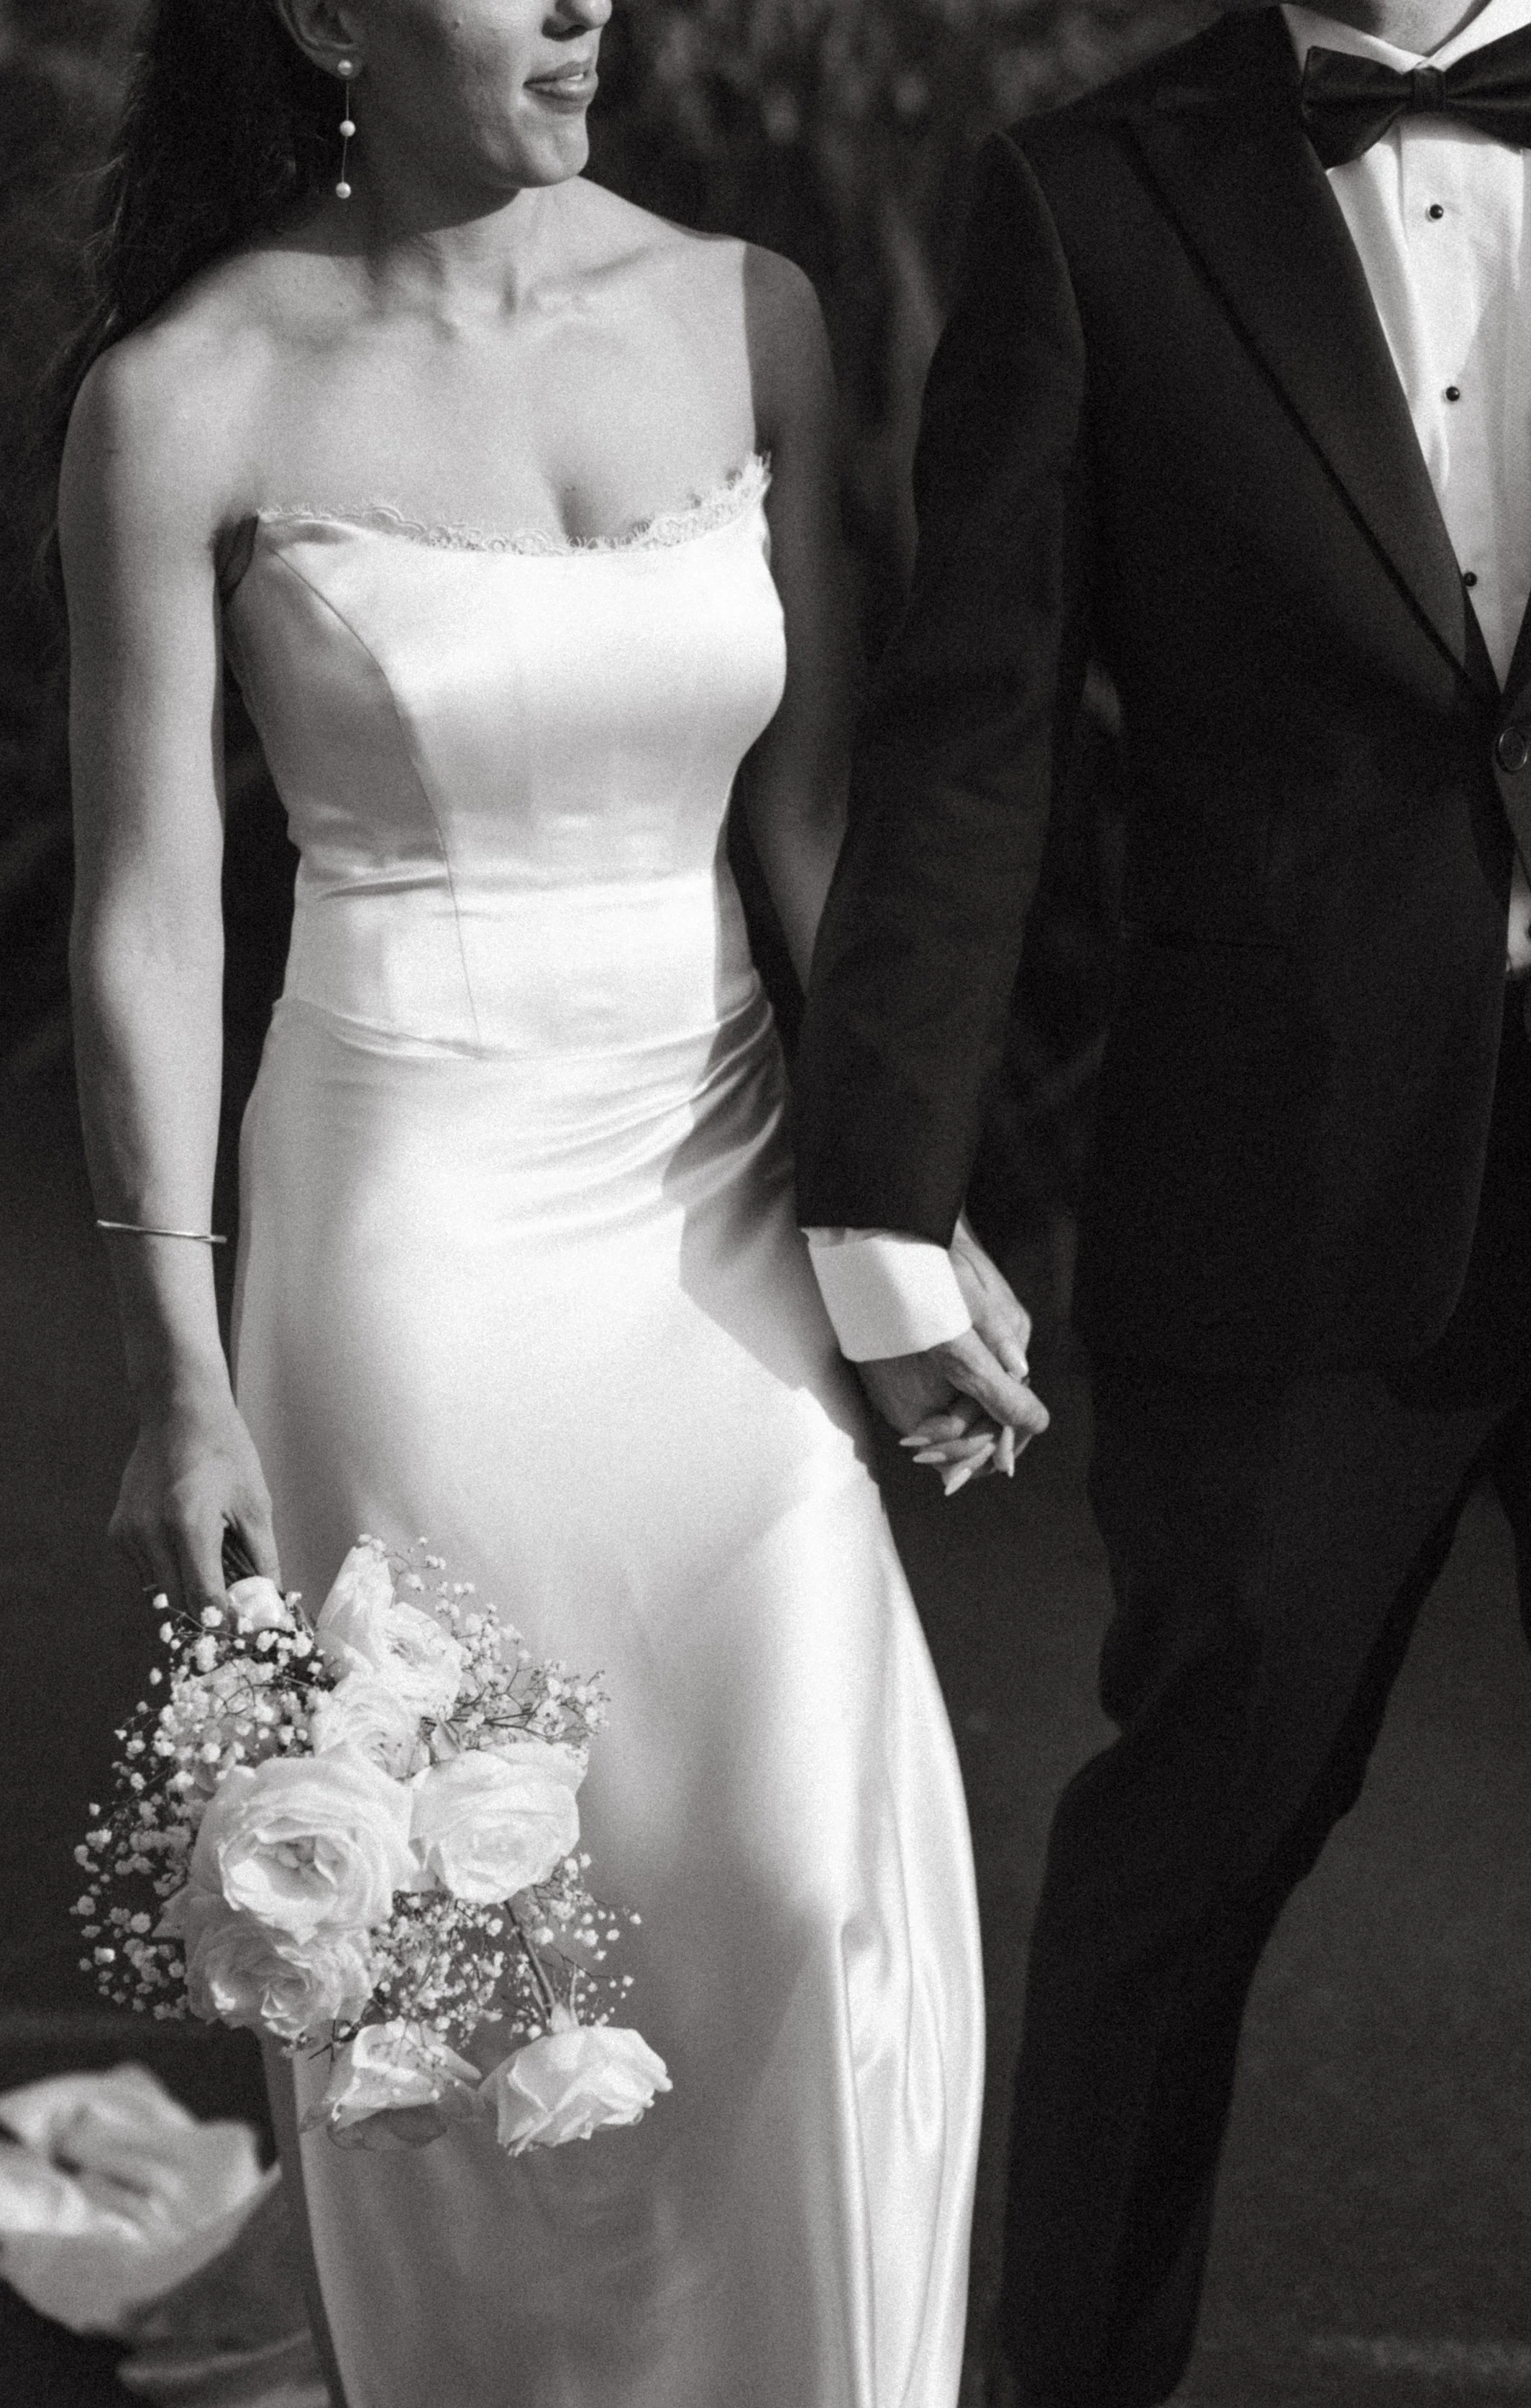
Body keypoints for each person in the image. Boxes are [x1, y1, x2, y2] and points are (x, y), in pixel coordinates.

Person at [792, 0, 1531, 2397]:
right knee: (1187, 1861)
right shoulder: (1091, 200)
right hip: (1291, 1175)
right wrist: (882, 1189)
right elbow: (974, 729)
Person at [58, 0, 1016, 2399]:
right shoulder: (187, 395)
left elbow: (816, 820)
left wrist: (902, 1203)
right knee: (488, 1964)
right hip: (408, 1248)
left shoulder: (747, 312)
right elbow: (150, 912)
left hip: (721, 1184)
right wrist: (179, 1363)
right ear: (327, 15)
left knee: (800, 1879)